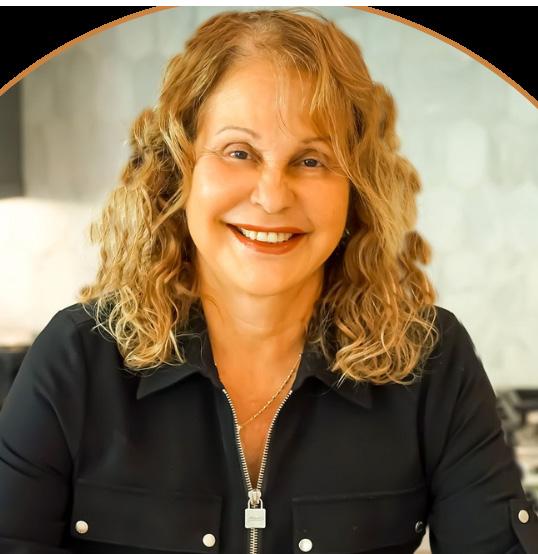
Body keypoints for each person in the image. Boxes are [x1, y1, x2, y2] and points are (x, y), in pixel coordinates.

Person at [0, 8, 536, 554]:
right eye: (239, 153)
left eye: (312, 160)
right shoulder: (75, 360)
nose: (273, 196)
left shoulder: (431, 361)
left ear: (356, 188)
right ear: (178, 170)